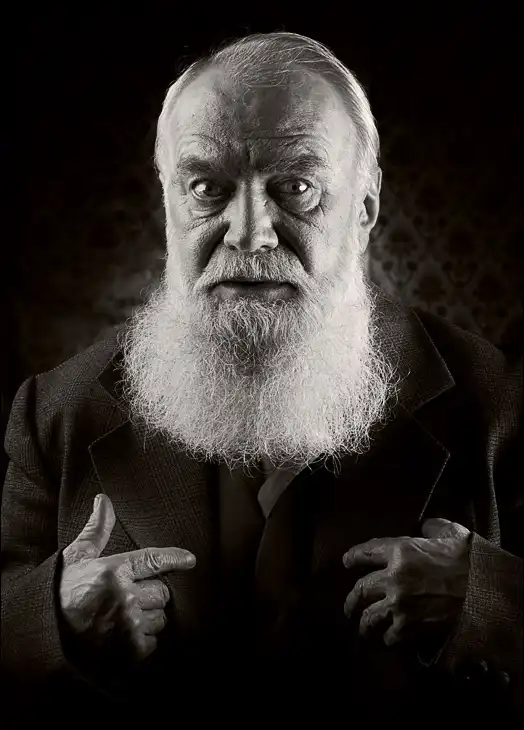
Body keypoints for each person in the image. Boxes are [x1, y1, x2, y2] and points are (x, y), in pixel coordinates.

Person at [1, 31, 522, 723]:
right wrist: (54, 618)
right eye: (207, 188)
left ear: (364, 208)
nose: (250, 233)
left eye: (297, 187)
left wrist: (490, 603)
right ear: (168, 202)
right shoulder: (54, 412)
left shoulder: (501, 404)